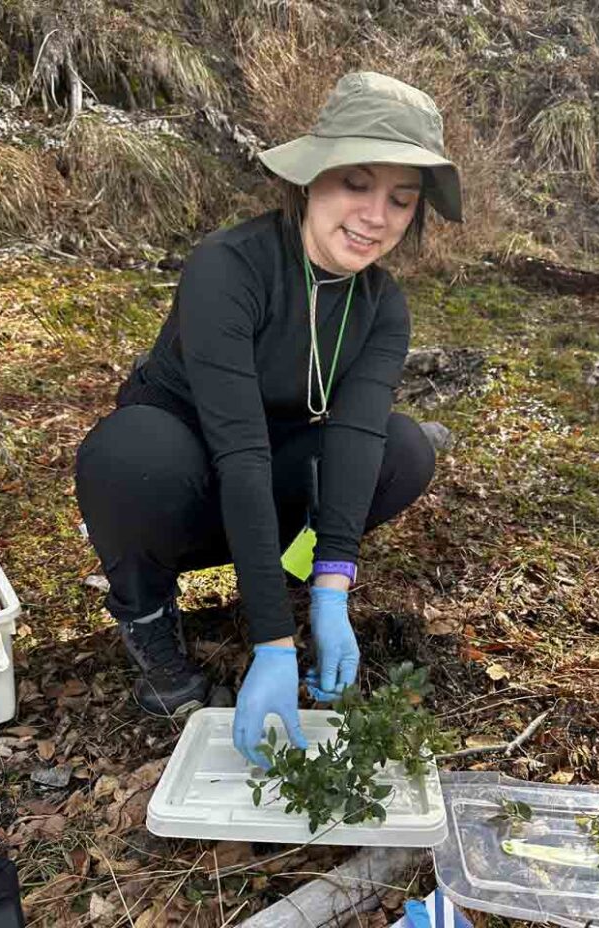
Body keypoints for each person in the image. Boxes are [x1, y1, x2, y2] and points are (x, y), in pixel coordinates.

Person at [74, 71, 462, 767]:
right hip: (184, 477)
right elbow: (240, 449)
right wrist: (274, 643)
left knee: (402, 447)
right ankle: (147, 613)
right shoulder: (231, 267)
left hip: (273, 477)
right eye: (357, 184)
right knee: (128, 454)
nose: (376, 216)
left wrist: (333, 591)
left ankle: (292, 568)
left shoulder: (383, 307)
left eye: (401, 200)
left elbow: (354, 434)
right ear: (311, 180)